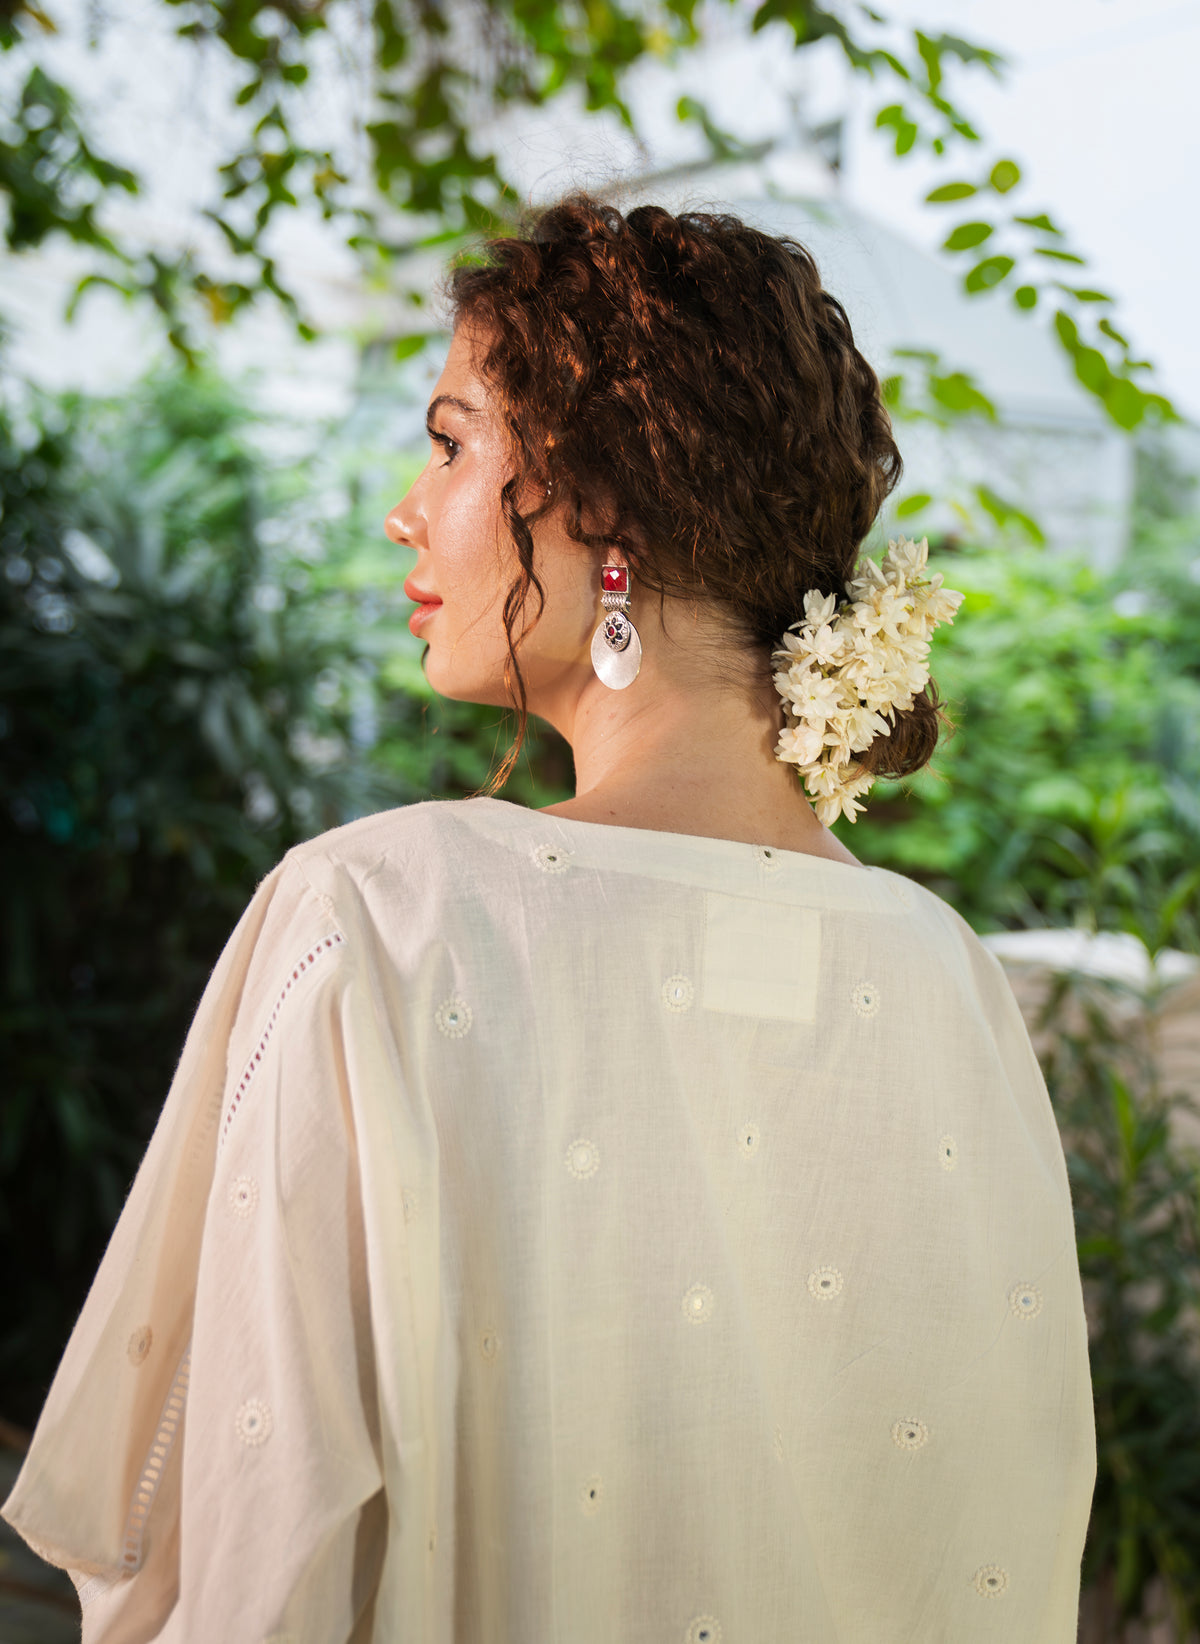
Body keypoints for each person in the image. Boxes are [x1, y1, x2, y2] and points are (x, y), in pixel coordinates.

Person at [2, 193, 1096, 1642]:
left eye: (452, 443)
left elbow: (245, 1550)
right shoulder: (947, 977)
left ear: (604, 507)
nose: (407, 506)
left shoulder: (381, 918)